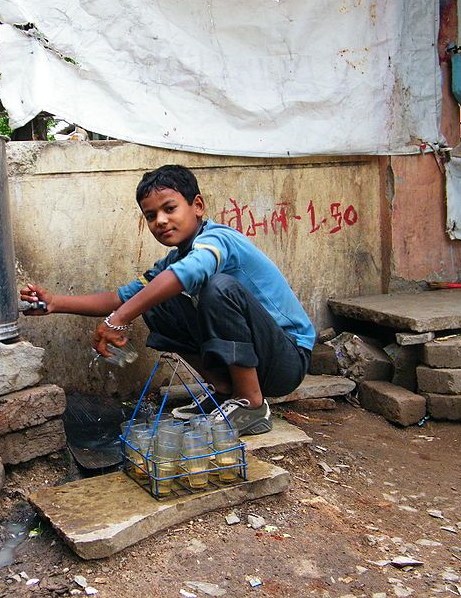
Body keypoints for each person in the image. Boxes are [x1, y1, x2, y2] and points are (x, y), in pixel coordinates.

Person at [21, 164, 315, 435]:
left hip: (286, 360)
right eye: (151, 216)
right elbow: (120, 297)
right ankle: (226, 391)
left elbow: (190, 273)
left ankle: (251, 405)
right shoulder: (174, 260)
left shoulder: (218, 239)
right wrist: (56, 303)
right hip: (259, 358)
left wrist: (120, 319)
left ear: (197, 206)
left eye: (169, 208)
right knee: (156, 300)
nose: (160, 221)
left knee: (217, 287)